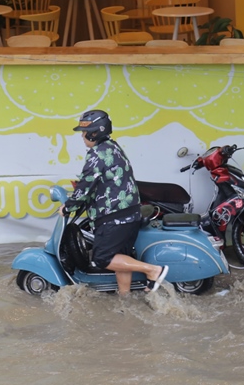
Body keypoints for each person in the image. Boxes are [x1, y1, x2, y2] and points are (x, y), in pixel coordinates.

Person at [66, 110, 169, 296]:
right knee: (121, 259)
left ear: (94, 132)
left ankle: (153, 271)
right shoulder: (113, 147)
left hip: (113, 216)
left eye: (83, 132)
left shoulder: (97, 154)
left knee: (103, 259)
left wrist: (67, 207)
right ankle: (125, 297)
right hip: (129, 212)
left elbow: (85, 186)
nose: (82, 136)